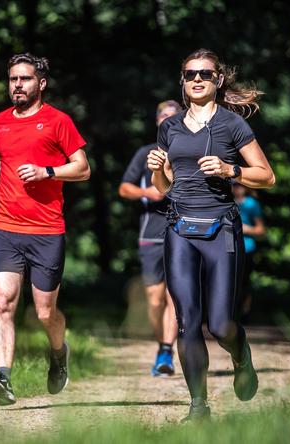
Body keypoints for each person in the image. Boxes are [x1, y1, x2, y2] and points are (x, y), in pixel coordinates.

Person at [147, 48, 275, 421]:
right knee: (187, 319)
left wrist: (229, 169)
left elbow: (267, 176)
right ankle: (198, 406)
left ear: (218, 79)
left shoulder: (233, 125)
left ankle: (241, 354)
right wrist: (157, 170)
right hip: (180, 229)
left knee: (219, 324)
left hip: (221, 228)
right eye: (190, 74)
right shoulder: (168, 127)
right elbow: (164, 189)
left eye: (204, 73)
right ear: (182, 81)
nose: (197, 79)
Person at [0, 53, 90, 405]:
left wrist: (48, 172)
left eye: (24, 79)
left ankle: (59, 353)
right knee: (2, 303)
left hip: (46, 230)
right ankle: (3, 378)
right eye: (13, 79)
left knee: (45, 312)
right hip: (5, 226)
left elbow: (83, 169)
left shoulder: (58, 121)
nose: (17, 86)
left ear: (41, 84)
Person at [119, 100, 182, 377]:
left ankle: (167, 351)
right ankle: (161, 345)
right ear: (157, 122)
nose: (167, 120)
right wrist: (148, 194)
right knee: (154, 300)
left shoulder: (189, 153)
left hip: (182, 232)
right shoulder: (145, 153)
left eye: (173, 116)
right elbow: (124, 188)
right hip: (151, 234)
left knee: (175, 298)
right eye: (163, 116)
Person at [232, 183, 266, 318]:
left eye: (239, 185)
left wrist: (246, 229)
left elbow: (261, 230)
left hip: (247, 248)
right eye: (234, 185)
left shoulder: (251, 204)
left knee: (243, 283)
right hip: (227, 248)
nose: (236, 188)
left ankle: (243, 314)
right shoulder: (224, 201)